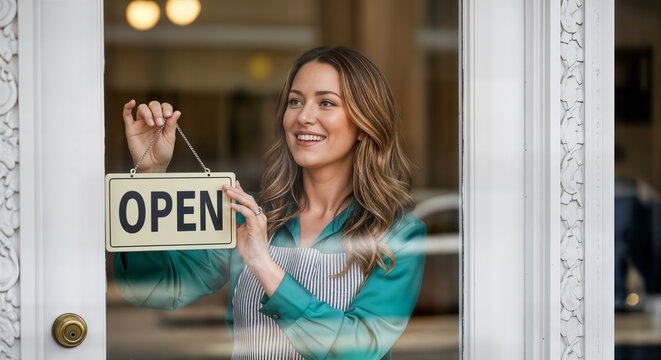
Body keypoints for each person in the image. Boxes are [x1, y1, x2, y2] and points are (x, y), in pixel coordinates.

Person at [114, 46, 427, 360]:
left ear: (364, 124)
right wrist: (149, 176)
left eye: (326, 102)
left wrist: (264, 265)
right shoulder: (248, 218)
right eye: (295, 101)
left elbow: (358, 350)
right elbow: (156, 288)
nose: (304, 117)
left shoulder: (398, 234)